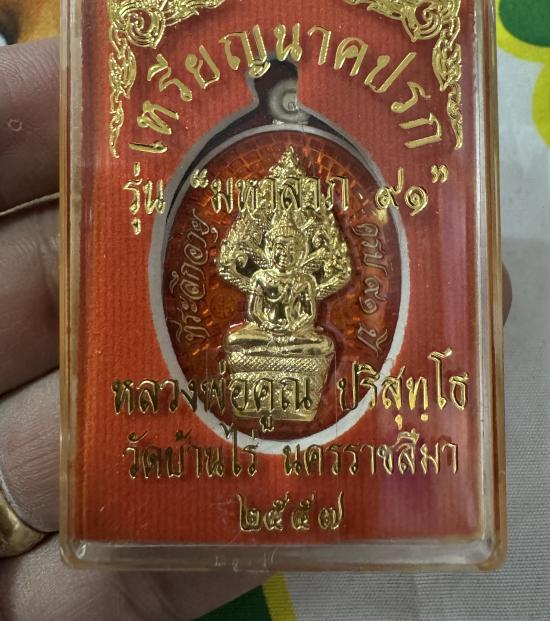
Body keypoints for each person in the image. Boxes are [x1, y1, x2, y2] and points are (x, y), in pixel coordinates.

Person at [0, 39, 512, 620]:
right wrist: (264, 272)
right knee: (247, 336)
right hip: (261, 320)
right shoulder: (259, 221)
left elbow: (338, 269)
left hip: (303, 328)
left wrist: (306, 277)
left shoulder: (313, 209)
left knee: (308, 338)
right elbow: (228, 263)